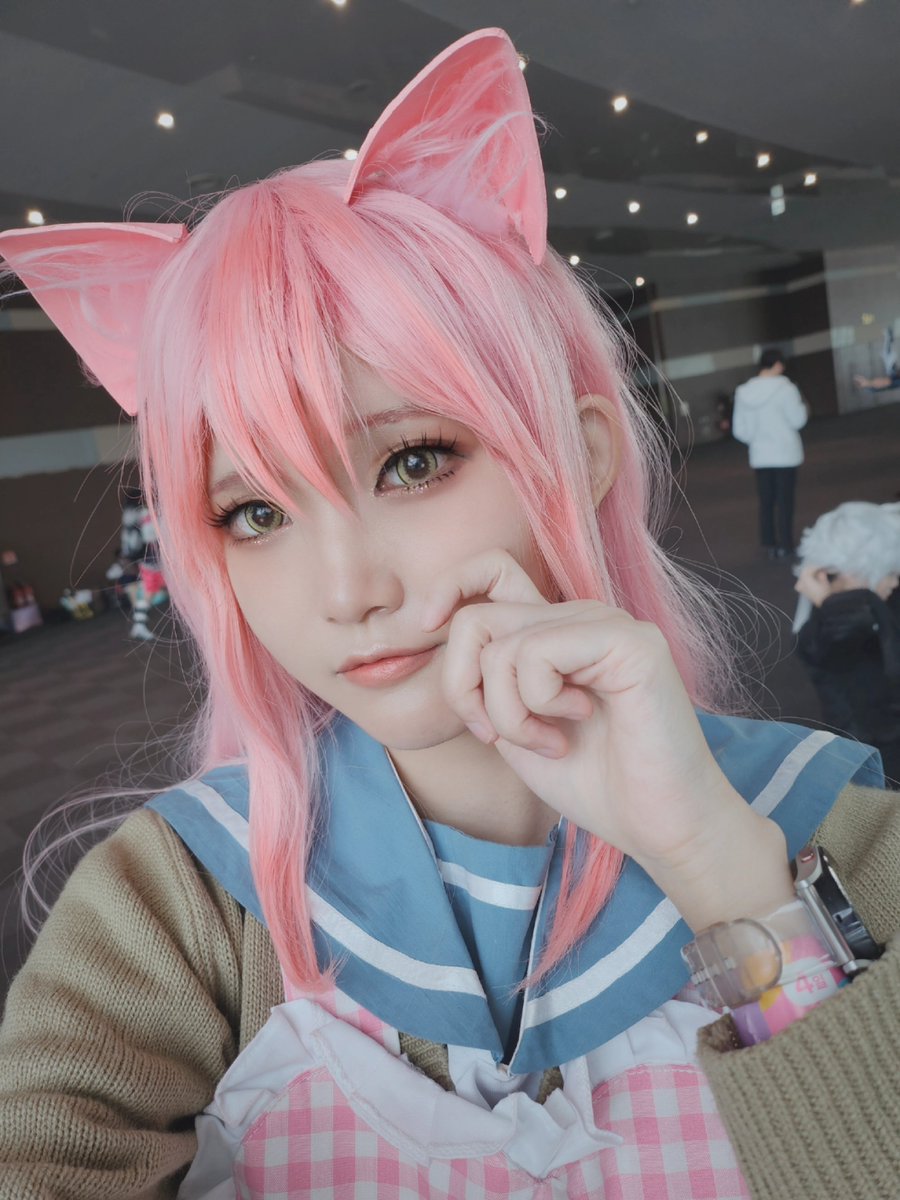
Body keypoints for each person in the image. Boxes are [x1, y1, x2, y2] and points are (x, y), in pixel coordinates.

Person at [0, 29, 897, 1200]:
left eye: (413, 461)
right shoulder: (173, 907)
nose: (347, 592)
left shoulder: (838, 834)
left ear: (579, 451)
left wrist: (722, 873)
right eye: (255, 514)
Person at [794, 501, 900, 785]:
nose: (894, 581)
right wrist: (824, 596)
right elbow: (844, 623)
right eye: (888, 572)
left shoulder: (879, 604)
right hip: (877, 761)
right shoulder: (829, 629)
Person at [732, 347, 808, 559]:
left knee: (766, 501)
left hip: (760, 454)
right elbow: (798, 420)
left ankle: (769, 544)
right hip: (785, 453)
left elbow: (739, 430)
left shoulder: (743, 392)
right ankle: (786, 545)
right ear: (777, 365)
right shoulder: (787, 389)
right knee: (785, 501)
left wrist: (756, 440)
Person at [853, 324, 900, 392]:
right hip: (892, 374)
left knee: (886, 354)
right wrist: (868, 383)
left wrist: (867, 383)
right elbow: (886, 382)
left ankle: (889, 336)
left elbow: (886, 382)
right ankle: (889, 336)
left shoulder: (893, 379)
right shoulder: (893, 380)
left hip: (891, 373)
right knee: (887, 354)